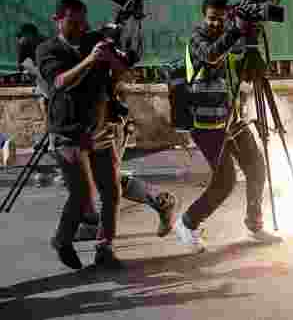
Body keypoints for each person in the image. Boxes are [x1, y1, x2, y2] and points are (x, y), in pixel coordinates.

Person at [20, 22, 179, 241]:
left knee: (98, 178)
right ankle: (103, 219)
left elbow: (60, 92)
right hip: (87, 127)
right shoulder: (68, 59)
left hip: (104, 125)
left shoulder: (68, 61)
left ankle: (152, 203)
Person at [173, 0, 281, 252]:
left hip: (232, 117)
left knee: (257, 168)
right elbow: (211, 55)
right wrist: (236, 31)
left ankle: (254, 224)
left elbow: (248, 73)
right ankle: (187, 223)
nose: (216, 24)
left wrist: (252, 42)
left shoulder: (232, 38)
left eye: (221, 19)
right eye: (212, 19)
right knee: (225, 181)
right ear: (204, 17)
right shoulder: (197, 39)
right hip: (206, 124)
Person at [36, 0, 129, 270]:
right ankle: (62, 240)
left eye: (82, 22)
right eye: (72, 22)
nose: (79, 27)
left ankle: (105, 247)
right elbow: (59, 82)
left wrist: (112, 58)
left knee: (111, 191)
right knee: (81, 194)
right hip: (67, 131)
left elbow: (122, 73)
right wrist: (90, 59)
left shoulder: (95, 40)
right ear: (57, 20)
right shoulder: (47, 49)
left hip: (99, 127)